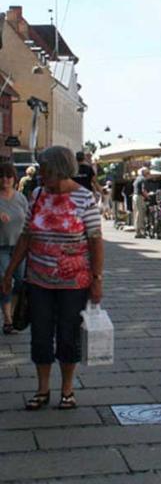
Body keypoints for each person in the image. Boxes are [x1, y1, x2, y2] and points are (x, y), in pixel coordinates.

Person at [2, 146, 103, 410]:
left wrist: (97, 279)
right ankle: (42, 389)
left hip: (74, 283)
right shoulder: (37, 195)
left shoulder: (84, 198)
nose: (40, 176)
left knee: (68, 336)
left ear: (58, 169)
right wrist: (10, 271)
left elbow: (95, 241)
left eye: (44, 170)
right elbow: (26, 236)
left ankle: (67, 390)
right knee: (40, 336)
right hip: (39, 280)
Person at [0, 163, 28, 334]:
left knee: (19, 282)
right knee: (5, 280)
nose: (5, 180)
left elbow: (29, 222)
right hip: (1, 247)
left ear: (14, 179)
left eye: (9, 176)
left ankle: (13, 313)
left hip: (19, 248)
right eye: (2, 176)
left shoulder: (21, 198)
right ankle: (8, 321)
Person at [132, 167, 150, 238]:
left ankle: (137, 231)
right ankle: (138, 232)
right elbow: (143, 190)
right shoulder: (143, 179)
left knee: (136, 213)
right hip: (139, 197)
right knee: (140, 214)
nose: (149, 174)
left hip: (135, 196)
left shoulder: (137, 178)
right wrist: (148, 196)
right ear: (145, 173)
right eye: (148, 173)